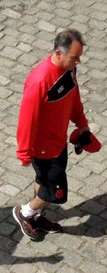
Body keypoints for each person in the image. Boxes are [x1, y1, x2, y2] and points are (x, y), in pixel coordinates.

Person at [13, 29, 90, 241]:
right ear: (58, 53)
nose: (79, 62)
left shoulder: (69, 70)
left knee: (42, 181)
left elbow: (74, 97)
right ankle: (25, 213)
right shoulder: (39, 82)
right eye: (75, 57)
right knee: (54, 193)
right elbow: (26, 121)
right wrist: (24, 153)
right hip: (44, 149)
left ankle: (35, 216)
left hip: (58, 142)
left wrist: (82, 124)